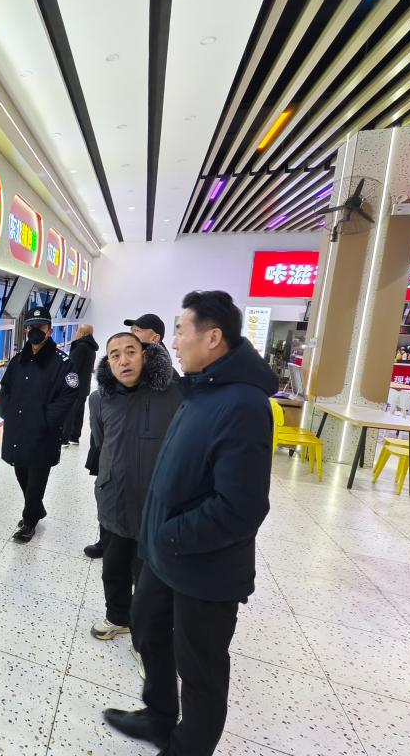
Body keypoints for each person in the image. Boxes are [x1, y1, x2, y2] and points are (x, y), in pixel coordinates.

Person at [104, 291, 278, 756]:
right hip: (166, 555)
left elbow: (242, 507)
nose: (174, 341)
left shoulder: (243, 404)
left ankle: (188, 747)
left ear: (213, 337)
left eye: (181, 331)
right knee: (147, 628)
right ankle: (159, 715)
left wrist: (169, 535)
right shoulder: (201, 389)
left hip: (205, 565)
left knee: (200, 668)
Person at [88, 334, 180, 643]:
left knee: (148, 576)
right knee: (113, 568)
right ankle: (117, 617)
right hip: (114, 497)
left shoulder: (174, 394)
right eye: (115, 355)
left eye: (130, 352)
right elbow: (101, 442)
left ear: (145, 356)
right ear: (108, 362)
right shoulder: (99, 399)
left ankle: (146, 639)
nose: (123, 360)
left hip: (155, 504)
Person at [0, 305, 78, 543]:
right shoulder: (18, 361)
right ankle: (37, 508)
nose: (34, 331)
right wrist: (6, 412)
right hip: (17, 429)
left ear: (49, 330)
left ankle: (30, 521)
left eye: (40, 327)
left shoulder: (63, 363)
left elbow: (68, 396)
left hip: (43, 433)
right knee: (20, 471)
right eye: (30, 327)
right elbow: (6, 388)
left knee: (36, 480)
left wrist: (46, 420)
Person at [61, 324, 99, 446]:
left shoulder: (81, 347)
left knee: (70, 412)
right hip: (84, 385)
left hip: (75, 385)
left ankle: (64, 438)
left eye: (78, 330)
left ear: (82, 332)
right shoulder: (91, 347)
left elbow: (72, 367)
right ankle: (74, 437)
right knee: (78, 412)